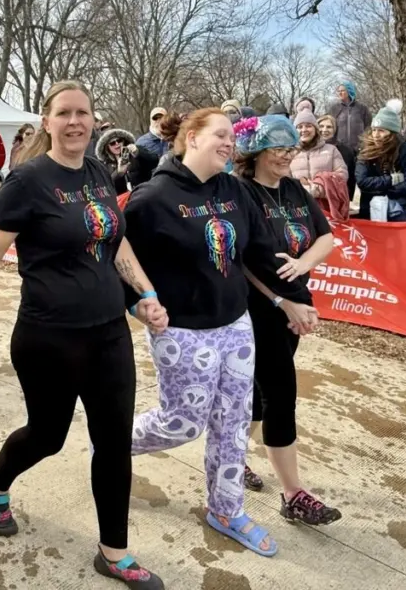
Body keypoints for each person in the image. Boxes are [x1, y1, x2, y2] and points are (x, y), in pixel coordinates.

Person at [0, 80, 169, 589]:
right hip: (48, 334)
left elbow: (114, 243)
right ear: (47, 121)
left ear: (94, 120)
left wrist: (146, 293)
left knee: (113, 442)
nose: (75, 122)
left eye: (84, 113)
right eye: (65, 113)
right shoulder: (27, 181)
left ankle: (113, 552)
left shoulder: (98, 172)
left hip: (108, 334)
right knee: (47, 437)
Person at [126, 109, 306, 557]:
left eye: (232, 136)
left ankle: (226, 510)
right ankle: (111, 441)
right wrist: (139, 306)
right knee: (182, 424)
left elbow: (262, 253)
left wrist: (292, 298)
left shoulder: (233, 190)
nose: (230, 143)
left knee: (233, 423)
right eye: (220, 135)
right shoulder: (152, 198)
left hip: (235, 327)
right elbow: (120, 260)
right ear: (192, 138)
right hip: (183, 332)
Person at [232, 114, 341, 526]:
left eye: (291, 148)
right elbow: (241, 260)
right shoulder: (241, 191)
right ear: (256, 151)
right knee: (280, 392)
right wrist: (281, 300)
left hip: (293, 303)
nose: (286, 155)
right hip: (257, 308)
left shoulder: (294, 189)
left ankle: (233, 455)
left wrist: (301, 265)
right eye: (278, 148)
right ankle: (293, 493)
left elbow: (326, 237)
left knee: (261, 392)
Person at [356, 101, 406, 222]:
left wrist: (389, 192)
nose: (376, 135)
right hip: (371, 208)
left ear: (392, 133)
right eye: (374, 130)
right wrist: (391, 180)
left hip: (403, 209)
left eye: (381, 130)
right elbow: (362, 181)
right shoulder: (365, 152)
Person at [290, 109, 349, 217]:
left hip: (327, 209)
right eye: (300, 127)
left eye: (308, 125)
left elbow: (342, 175)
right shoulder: (289, 152)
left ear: (316, 129)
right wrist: (302, 189)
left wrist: (319, 189)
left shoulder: (331, 150)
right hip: (298, 208)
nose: (304, 130)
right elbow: (283, 180)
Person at [95, 127, 157, 195]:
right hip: (125, 201)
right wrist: (118, 173)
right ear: (107, 147)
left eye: (119, 140)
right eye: (112, 143)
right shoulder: (105, 165)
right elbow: (106, 187)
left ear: (124, 141)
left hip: (145, 193)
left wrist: (138, 153)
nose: (117, 144)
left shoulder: (135, 150)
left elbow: (154, 161)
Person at [316, 113, 355, 200]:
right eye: (321, 126)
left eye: (329, 127)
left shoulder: (345, 151)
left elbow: (351, 178)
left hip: (336, 197)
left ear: (335, 130)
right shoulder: (308, 148)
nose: (324, 130)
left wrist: (348, 198)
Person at [326, 80, 372, 151]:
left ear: (349, 91)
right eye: (338, 91)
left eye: (342, 91)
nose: (340, 93)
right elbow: (329, 128)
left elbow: (368, 128)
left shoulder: (362, 108)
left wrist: (365, 143)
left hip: (359, 149)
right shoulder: (334, 109)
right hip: (340, 149)